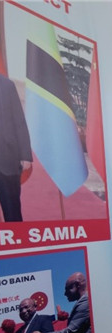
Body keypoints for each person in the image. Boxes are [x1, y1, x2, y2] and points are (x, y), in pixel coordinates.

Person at [0, 74, 33, 222]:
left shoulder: (7, 85)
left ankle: (17, 237)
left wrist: (25, 154)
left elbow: (19, 120)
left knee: (12, 213)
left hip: (7, 160)